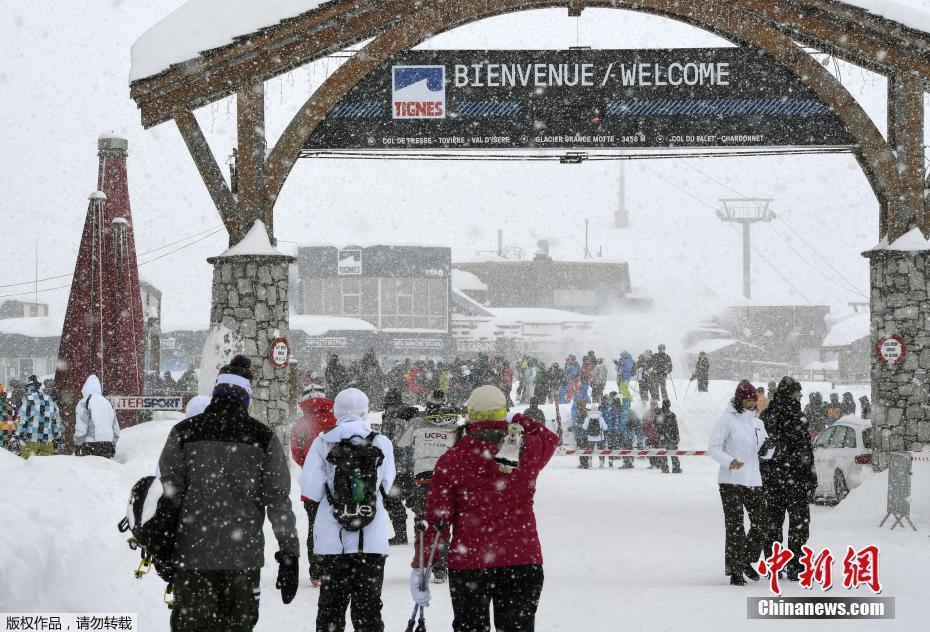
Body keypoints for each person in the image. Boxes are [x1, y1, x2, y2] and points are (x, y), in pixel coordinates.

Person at [158, 355, 300, 631]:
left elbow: (168, 494)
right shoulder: (263, 437)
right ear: (246, 398)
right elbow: (278, 501)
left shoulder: (184, 432)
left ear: (216, 393)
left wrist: (165, 547)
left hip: (192, 556)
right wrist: (289, 554)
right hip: (242, 560)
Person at [411, 385, 558, 632]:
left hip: (470, 563)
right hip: (521, 558)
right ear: (503, 413)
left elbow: (437, 521)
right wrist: (516, 418)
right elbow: (550, 438)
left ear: (470, 415)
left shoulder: (453, 458)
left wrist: (422, 565)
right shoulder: (526, 450)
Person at [299, 388, 396, 632]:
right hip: (371, 541)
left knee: (331, 612)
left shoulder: (323, 442)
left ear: (336, 411)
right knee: (369, 612)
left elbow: (310, 490)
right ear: (365, 411)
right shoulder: (380, 442)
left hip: (333, 543)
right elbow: (387, 484)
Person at [708, 380, 774, 586]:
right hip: (731, 481)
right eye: (747, 400)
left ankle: (746, 560)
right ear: (739, 399)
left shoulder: (758, 423)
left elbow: (767, 453)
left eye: (753, 399)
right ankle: (736, 571)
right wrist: (730, 462)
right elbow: (713, 447)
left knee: (762, 524)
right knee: (735, 527)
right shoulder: (727, 419)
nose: (751, 403)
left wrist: (769, 448)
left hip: (754, 480)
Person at [395, 389, 460, 583]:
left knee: (423, 522)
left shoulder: (417, 422)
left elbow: (399, 441)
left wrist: (407, 420)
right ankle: (441, 568)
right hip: (446, 477)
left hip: (423, 477)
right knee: (443, 523)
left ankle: (423, 564)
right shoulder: (456, 425)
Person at [759, 376, 817, 582]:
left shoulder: (767, 416)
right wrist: (810, 477)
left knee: (774, 523)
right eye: (797, 392)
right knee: (797, 524)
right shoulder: (795, 417)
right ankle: (795, 565)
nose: (800, 396)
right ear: (789, 393)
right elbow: (805, 451)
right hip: (793, 481)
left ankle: (776, 564)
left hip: (775, 481)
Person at [290, 383, 337, 583]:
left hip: (312, 485)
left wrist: (310, 466)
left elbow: (297, 454)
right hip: (337, 483)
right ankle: (333, 568)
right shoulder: (336, 420)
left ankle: (316, 572)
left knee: (314, 528)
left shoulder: (301, 424)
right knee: (335, 526)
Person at [73, 375, 120, 458]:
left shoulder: (84, 402)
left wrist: (78, 444)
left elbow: (81, 426)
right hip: (107, 444)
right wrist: (113, 444)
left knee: (90, 469)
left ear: (85, 388)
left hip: (90, 444)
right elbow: (115, 427)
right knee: (104, 470)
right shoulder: (108, 403)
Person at [16, 375, 62, 459]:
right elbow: (56, 420)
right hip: (47, 441)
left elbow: (23, 419)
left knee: (26, 469)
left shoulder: (27, 398)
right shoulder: (50, 399)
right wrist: (57, 436)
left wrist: (18, 435)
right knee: (45, 470)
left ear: (30, 386)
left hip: (30, 440)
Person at [656, 399, 681, 474]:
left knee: (668, 452)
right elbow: (658, 426)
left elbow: (675, 427)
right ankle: (671, 467)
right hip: (667, 436)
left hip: (667, 436)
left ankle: (667, 467)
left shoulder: (670, 414)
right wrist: (675, 436)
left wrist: (676, 436)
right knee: (669, 452)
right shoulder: (662, 413)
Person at [582, 403, 608, 469]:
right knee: (601, 451)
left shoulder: (588, 418)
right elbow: (605, 427)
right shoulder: (600, 417)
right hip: (600, 437)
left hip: (590, 438)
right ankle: (601, 464)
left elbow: (584, 427)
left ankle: (590, 464)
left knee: (590, 451)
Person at [0, 384, 19, 454]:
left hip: (2, 435)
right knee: (9, 457)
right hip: (11, 435)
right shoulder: (11, 406)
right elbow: (15, 418)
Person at [642, 400, 661, 469]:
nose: (652, 405)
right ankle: (652, 463)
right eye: (651, 404)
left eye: (654, 404)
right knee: (650, 450)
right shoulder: (647, 412)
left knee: (657, 450)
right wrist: (645, 429)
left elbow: (661, 423)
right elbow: (643, 421)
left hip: (657, 435)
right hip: (649, 434)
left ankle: (659, 463)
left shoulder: (659, 412)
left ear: (656, 404)